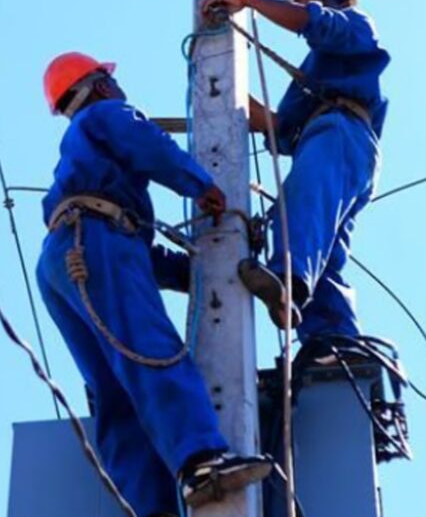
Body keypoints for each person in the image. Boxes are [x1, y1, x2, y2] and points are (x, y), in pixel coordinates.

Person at [36, 52, 272, 516]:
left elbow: (137, 257)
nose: (118, 88)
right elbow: (145, 141)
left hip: (64, 259)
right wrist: (198, 183)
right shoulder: (106, 114)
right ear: (99, 85)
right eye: (111, 80)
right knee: (150, 347)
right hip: (94, 241)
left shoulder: (84, 156)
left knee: (114, 393)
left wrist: (195, 274)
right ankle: (202, 462)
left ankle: (153, 507)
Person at [202, 0, 390, 344]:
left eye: (304, 1)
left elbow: (314, 23)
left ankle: (289, 279)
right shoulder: (314, 71)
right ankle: (331, 344)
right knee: (326, 255)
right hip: (333, 141)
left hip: (341, 133)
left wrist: (248, 1)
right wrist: (224, 90)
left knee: (301, 204)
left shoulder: (355, 28)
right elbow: (279, 127)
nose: (301, 7)